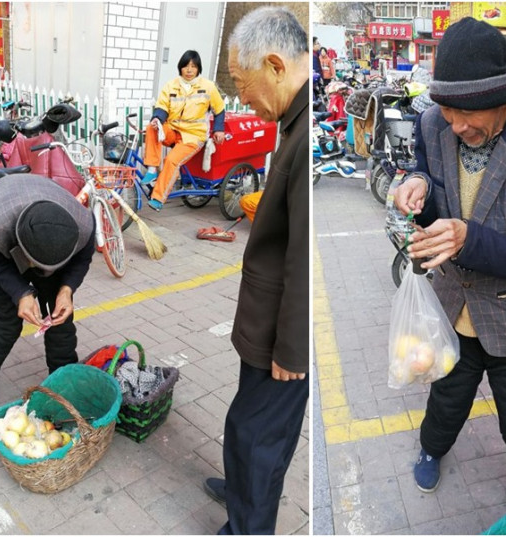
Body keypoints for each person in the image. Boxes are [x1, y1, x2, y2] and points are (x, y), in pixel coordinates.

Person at [393, 17, 506, 507]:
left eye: (467, 114)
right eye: (448, 111)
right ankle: (432, 450)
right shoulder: (434, 125)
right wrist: (417, 186)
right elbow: (429, 182)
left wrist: (466, 238)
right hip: (454, 304)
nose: (456, 125)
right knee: (447, 395)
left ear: (503, 100)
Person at [203, 6, 309, 534]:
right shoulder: (292, 121)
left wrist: (293, 348)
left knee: (259, 436)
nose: (241, 97)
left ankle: (249, 522)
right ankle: (241, 487)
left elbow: (306, 256)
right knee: (248, 419)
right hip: (265, 323)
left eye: (243, 84)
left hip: (284, 337)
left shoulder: (305, 134)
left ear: (274, 65)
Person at [0, 174, 95, 412]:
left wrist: (67, 289)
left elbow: (82, 260)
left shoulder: (84, 225)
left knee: (61, 318)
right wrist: (21, 293)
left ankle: (63, 380)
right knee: (5, 323)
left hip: (50, 240)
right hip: (2, 255)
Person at [141, 49, 226, 211]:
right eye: (186, 66)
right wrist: (157, 119)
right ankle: (152, 168)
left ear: (198, 69)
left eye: (193, 67)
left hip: (193, 136)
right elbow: (162, 107)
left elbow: (220, 110)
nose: (189, 70)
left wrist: (218, 129)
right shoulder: (171, 85)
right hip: (173, 130)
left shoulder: (208, 87)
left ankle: (158, 198)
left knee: (171, 160)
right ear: (180, 67)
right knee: (151, 128)